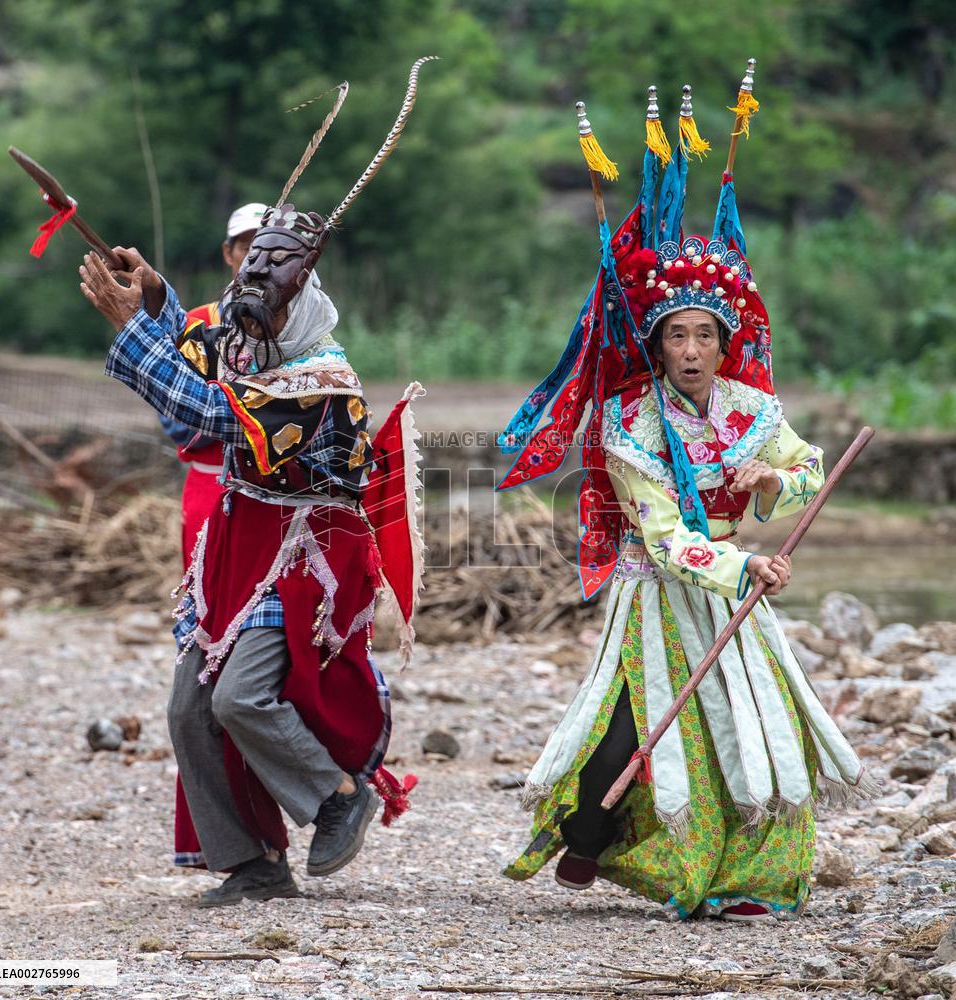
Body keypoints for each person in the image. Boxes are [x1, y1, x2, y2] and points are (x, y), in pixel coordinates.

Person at [498, 76, 875, 922]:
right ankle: (594, 840)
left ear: (724, 340)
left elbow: (807, 465)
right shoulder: (628, 423)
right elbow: (665, 536)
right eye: (678, 335)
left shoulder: (752, 409)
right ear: (658, 343)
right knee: (635, 733)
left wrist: (775, 482)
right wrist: (744, 562)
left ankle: (750, 879)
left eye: (707, 334)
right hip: (658, 596)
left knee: (752, 721)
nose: (695, 349)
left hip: (739, 586)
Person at [77, 62, 432, 907]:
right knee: (187, 709)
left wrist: (132, 332)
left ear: (299, 303)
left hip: (302, 558)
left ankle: (338, 797)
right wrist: (157, 299)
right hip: (237, 545)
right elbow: (205, 357)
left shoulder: (320, 378)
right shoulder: (257, 344)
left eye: (262, 303)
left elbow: (204, 412)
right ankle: (252, 864)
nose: (248, 317)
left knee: (239, 695)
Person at [158, 202, 267, 567]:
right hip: (211, 489)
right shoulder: (198, 323)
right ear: (228, 253)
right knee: (204, 605)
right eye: (246, 245)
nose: (256, 257)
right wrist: (239, 414)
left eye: (267, 246)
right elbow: (176, 419)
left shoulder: (304, 332)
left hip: (280, 499)